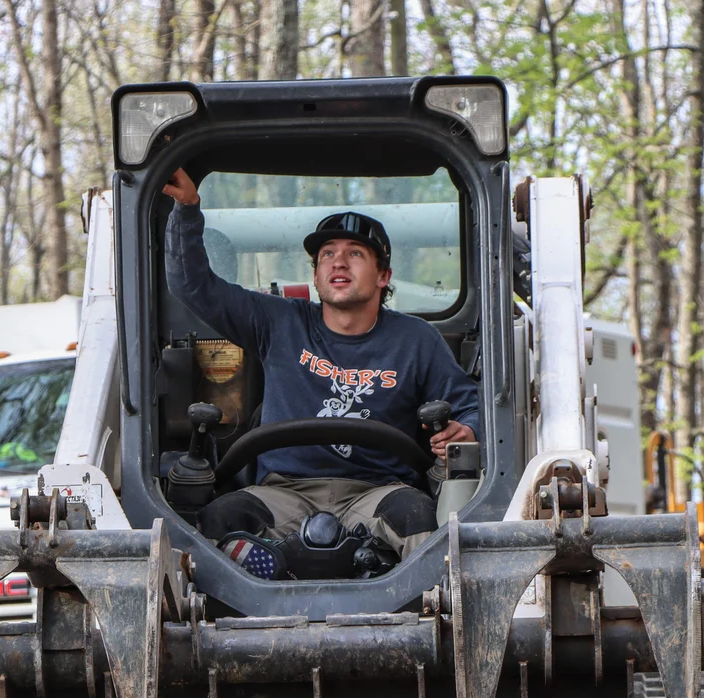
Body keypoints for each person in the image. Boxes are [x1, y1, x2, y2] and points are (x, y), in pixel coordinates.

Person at [162, 168, 480, 571]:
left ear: (383, 275)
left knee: (420, 518)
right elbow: (193, 286)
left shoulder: (417, 340)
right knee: (218, 520)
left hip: (377, 493)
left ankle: (419, 597)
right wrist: (187, 209)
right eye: (327, 254)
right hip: (284, 493)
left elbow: (473, 408)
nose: (338, 262)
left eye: (355, 253)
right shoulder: (278, 321)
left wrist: (466, 429)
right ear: (315, 275)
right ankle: (247, 578)